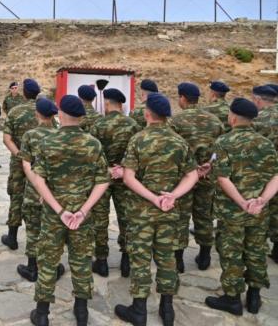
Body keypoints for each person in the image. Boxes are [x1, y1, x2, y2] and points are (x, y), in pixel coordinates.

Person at [115, 93, 198, 326]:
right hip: (169, 210)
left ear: (148, 114)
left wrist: (153, 198)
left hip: (141, 212)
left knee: (140, 259)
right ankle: (167, 309)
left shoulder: (138, 140)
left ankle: (139, 310)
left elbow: (129, 178)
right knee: (167, 258)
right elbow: (192, 175)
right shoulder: (179, 141)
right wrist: (172, 195)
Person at [27, 95, 110, 326]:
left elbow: (39, 180)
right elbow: (103, 181)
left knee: (48, 261)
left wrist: (59, 210)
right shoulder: (93, 144)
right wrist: (83, 210)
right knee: (82, 261)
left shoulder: (47, 142)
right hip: (81, 216)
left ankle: (42, 314)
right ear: (81, 117)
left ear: (61, 114)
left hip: (54, 215)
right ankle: (81, 312)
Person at [205, 98, 278, 316]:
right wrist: (261, 200)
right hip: (258, 211)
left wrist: (242, 203)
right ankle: (254, 297)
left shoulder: (224, 142)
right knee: (256, 251)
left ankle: (233, 299)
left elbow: (223, 178)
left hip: (232, 212)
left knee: (231, 253)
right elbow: (276, 176)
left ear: (233, 117)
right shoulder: (266, 144)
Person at [168, 83, 223, 272]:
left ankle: (179, 260)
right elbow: (220, 149)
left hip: (183, 177)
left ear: (182, 98)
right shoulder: (215, 121)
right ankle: (205, 256)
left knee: (180, 217)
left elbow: (171, 150)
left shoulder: (175, 121)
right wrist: (208, 165)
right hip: (206, 175)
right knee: (204, 215)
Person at [89, 88, 141, 278]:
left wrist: (108, 169)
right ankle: (126, 260)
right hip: (126, 178)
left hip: (102, 179)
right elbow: (138, 153)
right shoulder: (133, 125)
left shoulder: (97, 125)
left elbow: (92, 153)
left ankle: (101, 261)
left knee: (100, 220)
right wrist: (124, 168)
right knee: (127, 219)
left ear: (107, 103)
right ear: (121, 105)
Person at [17, 97, 64, 283]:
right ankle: (53, 267)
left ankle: (32, 268)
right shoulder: (60, 135)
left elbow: (26, 165)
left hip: (33, 191)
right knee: (52, 231)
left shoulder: (29, 135)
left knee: (33, 229)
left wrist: (38, 187)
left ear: (37, 113)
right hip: (54, 193)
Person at [2, 78, 41, 250]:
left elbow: (7, 139)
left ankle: (12, 237)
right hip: (39, 163)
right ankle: (37, 238)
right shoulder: (44, 110)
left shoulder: (15, 112)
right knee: (39, 196)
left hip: (18, 162)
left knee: (16, 196)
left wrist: (20, 155)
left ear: (24, 93)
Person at [250, 85, 278, 263]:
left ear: (258, 100)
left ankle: (257, 246)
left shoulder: (258, 120)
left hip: (264, 173)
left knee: (262, 206)